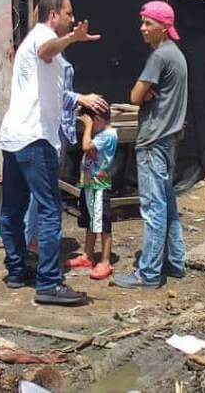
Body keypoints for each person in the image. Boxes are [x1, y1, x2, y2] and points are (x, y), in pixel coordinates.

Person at [0, 0, 100, 306]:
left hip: (14, 136)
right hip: (34, 137)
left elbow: (54, 87)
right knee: (49, 208)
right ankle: (49, 283)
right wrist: (72, 37)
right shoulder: (43, 37)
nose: (72, 18)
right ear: (54, 14)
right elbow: (46, 50)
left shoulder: (32, 40)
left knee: (13, 208)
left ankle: (16, 270)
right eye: (69, 13)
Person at [114, 1, 188, 289]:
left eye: (148, 23)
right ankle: (175, 261)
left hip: (154, 139)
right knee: (167, 202)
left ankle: (148, 273)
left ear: (164, 27)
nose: (142, 28)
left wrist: (143, 93)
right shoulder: (177, 56)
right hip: (169, 139)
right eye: (142, 22)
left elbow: (134, 96)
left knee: (153, 207)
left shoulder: (159, 57)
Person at [24, 46, 108, 250]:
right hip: (47, 130)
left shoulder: (57, 54)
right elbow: (49, 93)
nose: (71, 22)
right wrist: (80, 99)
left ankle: (35, 236)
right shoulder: (43, 53)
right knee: (41, 188)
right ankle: (32, 237)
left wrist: (78, 108)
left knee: (44, 187)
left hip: (58, 128)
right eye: (67, 14)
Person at [66, 107, 118, 280]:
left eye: (90, 122)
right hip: (90, 184)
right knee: (91, 220)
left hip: (99, 185)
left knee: (103, 223)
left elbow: (86, 146)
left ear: (96, 119)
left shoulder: (108, 135)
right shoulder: (102, 134)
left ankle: (105, 261)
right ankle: (88, 256)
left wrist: (87, 127)